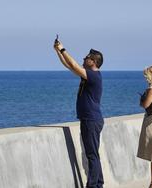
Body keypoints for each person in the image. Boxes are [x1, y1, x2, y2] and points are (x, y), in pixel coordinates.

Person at [54, 38, 104, 188]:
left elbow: (74, 64)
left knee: (91, 155)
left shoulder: (94, 76)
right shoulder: (87, 75)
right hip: (90, 119)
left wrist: (63, 49)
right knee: (93, 154)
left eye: (87, 57)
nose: (84, 58)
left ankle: (93, 185)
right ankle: (98, 184)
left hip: (91, 120)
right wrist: (57, 51)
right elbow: (70, 65)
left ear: (93, 61)